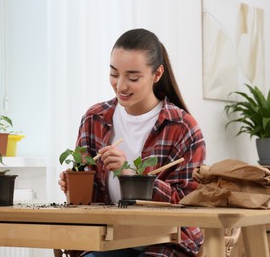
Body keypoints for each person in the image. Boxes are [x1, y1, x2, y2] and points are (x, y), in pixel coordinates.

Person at [58, 28, 206, 257]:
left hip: (168, 239)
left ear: (157, 74)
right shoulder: (94, 119)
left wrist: (133, 176)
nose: (121, 86)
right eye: (114, 74)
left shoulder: (182, 127)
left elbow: (189, 205)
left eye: (133, 77)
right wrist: (74, 185)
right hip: (111, 237)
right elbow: (91, 200)